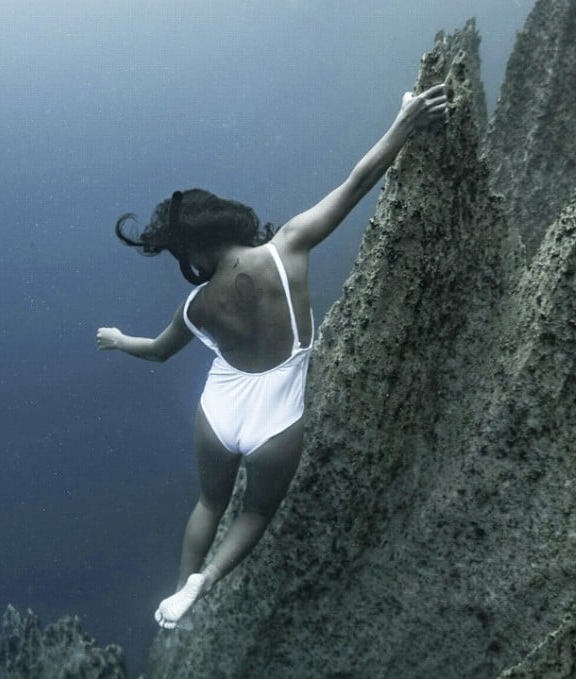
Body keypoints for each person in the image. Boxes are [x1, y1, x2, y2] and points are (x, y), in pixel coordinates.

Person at [97, 84, 449, 629]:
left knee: (209, 504)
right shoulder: (289, 246)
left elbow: (159, 353)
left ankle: (179, 597)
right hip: (276, 418)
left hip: (221, 411)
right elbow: (357, 182)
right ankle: (206, 582)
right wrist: (406, 122)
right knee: (257, 510)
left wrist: (120, 339)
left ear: (193, 249)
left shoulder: (195, 306)